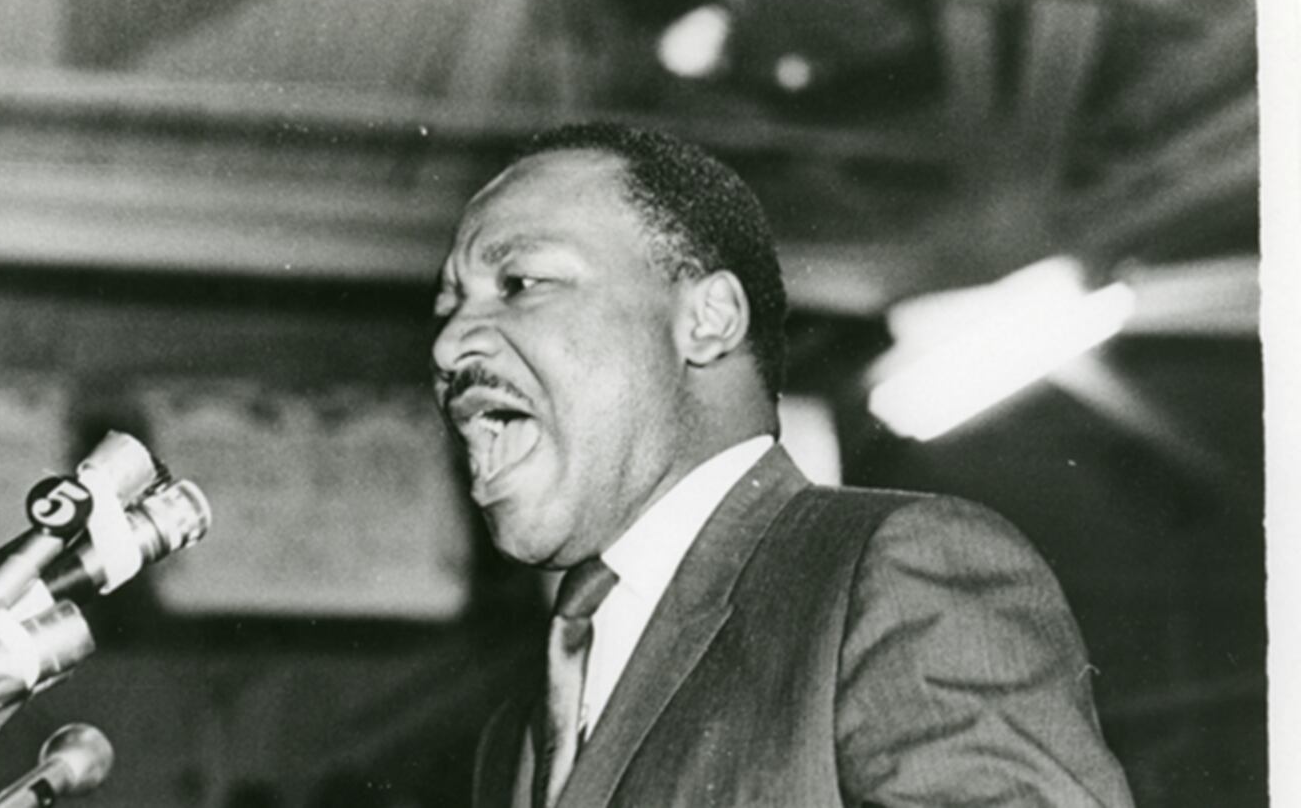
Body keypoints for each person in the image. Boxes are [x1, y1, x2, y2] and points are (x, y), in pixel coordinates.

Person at [430, 123, 1134, 807]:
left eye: (521, 283)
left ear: (708, 320)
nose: (448, 344)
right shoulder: (519, 738)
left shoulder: (893, 575)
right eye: (448, 305)